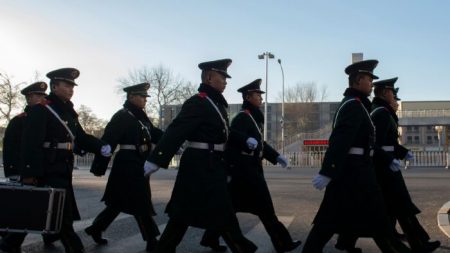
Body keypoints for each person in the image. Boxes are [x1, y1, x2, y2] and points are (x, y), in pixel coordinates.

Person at [144, 59, 257, 253]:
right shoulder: (199, 102)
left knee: (188, 213)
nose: (226, 81)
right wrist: (156, 158)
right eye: (222, 77)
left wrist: (244, 139)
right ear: (209, 77)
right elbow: (176, 130)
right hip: (199, 165)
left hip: (212, 165)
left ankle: (164, 248)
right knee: (202, 213)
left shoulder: (214, 104)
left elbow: (225, 132)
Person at [302, 60, 411, 253]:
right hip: (351, 172)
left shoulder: (359, 105)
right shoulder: (353, 105)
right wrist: (328, 171)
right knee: (329, 221)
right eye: (369, 79)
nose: (371, 83)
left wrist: (389, 159)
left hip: (359, 171)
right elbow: (340, 141)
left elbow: (367, 143)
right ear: (358, 81)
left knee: (377, 220)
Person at [12, 68, 110, 253]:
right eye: (67, 85)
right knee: (61, 215)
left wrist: (100, 146)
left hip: (63, 168)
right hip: (48, 168)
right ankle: (75, 248)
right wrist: (29, 173)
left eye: (72, 86)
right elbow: (30, 144)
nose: (71, 89)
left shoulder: (68, 112)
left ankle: (9, 243)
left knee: (37, 209)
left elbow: (80, 136)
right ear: (55, 86)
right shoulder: (42, 109)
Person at [200, 79, 301, 253]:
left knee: (229, 209)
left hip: (249, 170)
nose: (261, 98)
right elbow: (231, 139)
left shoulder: (252, 117)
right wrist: (230, 170)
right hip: (244, 172)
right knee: (265, 209)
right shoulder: (242, 117)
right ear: (248, 97)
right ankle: (282, 243)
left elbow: (260, 143)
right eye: (257, 95)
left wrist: (277, 157)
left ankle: (210, 238)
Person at [85, 82, 163, 252]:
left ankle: (95, 229)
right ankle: (152, 240)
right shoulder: (122, 115)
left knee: (117, 203)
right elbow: (108, 140)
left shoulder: (141, 117)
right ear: (131, 97)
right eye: (142, 96)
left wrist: (171, 142)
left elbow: (155, 133)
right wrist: (99, 166)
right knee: (141, 201)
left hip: (139, 163)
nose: (145, 100)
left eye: (145, 97)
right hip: (127, 164)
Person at [370, 78, 441, 252]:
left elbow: (388, 142)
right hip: (384, 168)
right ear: (386, 93)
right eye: (393, 94)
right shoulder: (380, 113)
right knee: (401, 205)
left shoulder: (383, 112)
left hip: (386, 165)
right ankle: (418, 243)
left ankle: (407, 241)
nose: (395, 98)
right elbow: (375, 143)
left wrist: (402, 152)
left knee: (394, 207)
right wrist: (390, 159)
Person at [0, 82, 59, 252]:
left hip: (40, 169)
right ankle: (9, 239)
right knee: (24, 206)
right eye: (38, 96)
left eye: (43, 96)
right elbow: (12, 148)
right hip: (22, 171)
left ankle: (48, 234)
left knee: (41, 204)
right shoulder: (20, 120)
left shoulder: (45, 116)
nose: (42, 99)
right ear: (29, 98)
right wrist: (15, 172)